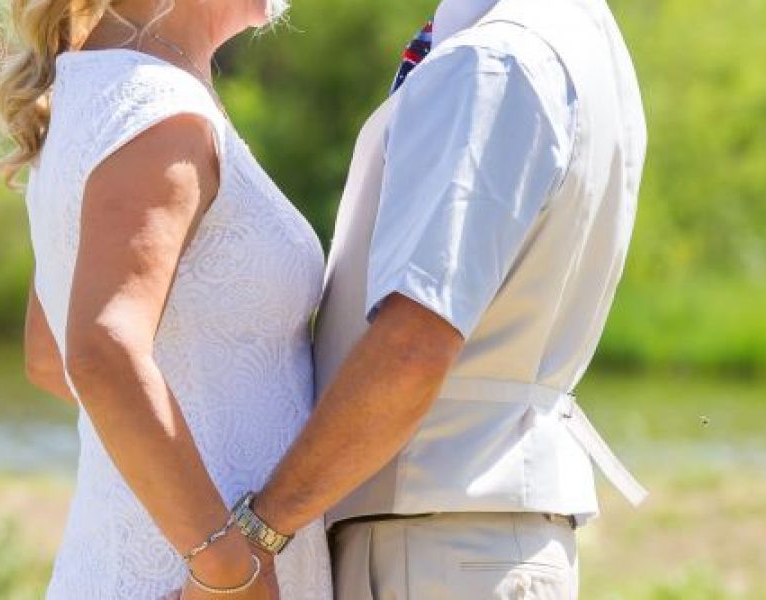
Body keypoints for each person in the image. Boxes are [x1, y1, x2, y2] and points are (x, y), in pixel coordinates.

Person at [215, 0, 650, 597]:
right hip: (474, 532)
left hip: (433, 543)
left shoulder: (491, 62)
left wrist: (257, 535)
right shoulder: (579, 34)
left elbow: (414, 344)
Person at [0, 0, 331, 595]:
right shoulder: (158, 109)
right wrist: (226, 565)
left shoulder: (100, 90)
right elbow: (99, 352)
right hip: (195, 580)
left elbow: (49, 355)